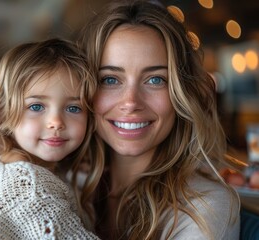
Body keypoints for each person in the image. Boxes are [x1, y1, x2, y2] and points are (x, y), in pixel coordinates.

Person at [79, 0, 241, 239]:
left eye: (155, 80)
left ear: (182, 93)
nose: (131, 102)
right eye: (110, 79)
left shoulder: (204, 206)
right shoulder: (69, 186)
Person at [0, 38, 104, 239]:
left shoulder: (20, 170)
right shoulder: (29, 192)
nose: (56, 122)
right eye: (36, 106)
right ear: (4, 115)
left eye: (73, 108)